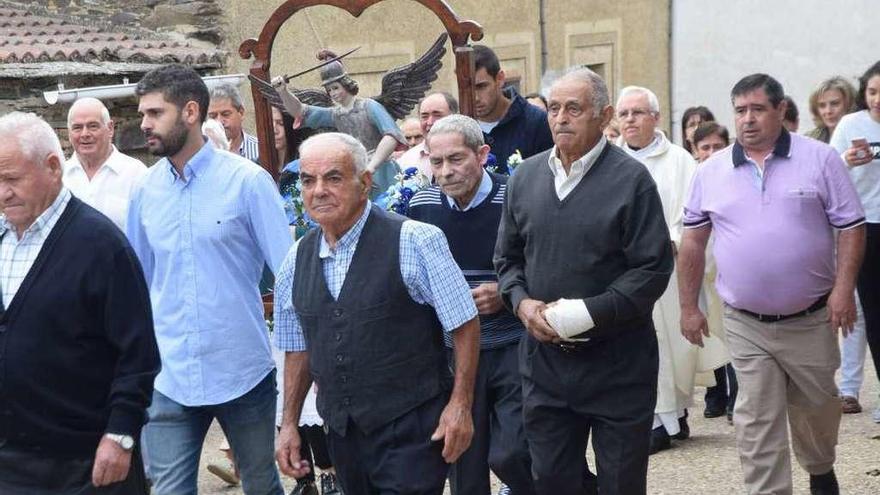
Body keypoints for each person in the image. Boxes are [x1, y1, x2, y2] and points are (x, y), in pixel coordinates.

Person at [679, 73, 865, 495]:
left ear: (781, 111)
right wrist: (690, 307)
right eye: (740, 110)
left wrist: (842, 290)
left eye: (758, 109)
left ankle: (820, 467)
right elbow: (693, 241)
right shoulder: (711, 171)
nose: (748, 120)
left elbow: (852, 227)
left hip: (811, 316)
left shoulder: (820, 159)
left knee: (817, 408)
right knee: (756, 419)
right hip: (745, 321)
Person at [494, 67, 673, 495]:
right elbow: (506, 258)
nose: (560, 119)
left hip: (619, 367)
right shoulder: (526, 178)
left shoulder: (632, 181)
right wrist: (521, 303)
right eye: (554, 108)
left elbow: (652, 269)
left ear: (603, 114)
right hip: (546, 368)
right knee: (552, 481)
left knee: (620, 484)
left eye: (573, 109)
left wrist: (586, 314)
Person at [273, 132, 481, 494]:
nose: (318, 190)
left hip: (411, 428)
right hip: (342, 433)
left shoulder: (415, 240)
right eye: (308, 180)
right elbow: (298, 347)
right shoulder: (297, 258)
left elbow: (464, 323)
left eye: (333, 178)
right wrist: (289, 423)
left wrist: (460, 405)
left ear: (365, 182)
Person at [127, 64, 293, 495]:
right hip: (170, 376)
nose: (144, 125)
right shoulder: (145, 191)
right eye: (142, 114)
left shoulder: (248, 182)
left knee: (261, 485)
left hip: (243, 371)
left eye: (154, 113)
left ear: (190, 112)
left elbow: (290, 275)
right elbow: (137, 285)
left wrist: (299, 358)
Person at [0, 112, 159, 494]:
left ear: (53, 167)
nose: (2, 192)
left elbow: (138, 356)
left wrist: (121, 434)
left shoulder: (102, 246)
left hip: (86, 462)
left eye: (11, 179)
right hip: (10, 461)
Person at [407, 115, 536, 495]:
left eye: (456, 160)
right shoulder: (422, 205)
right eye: (436, 161)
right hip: (454, 354)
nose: (445, 172)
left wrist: (507, 291)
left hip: (513, 344)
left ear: (482, 155)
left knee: (512, 453)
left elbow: (545, 261)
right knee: (461, 461)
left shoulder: (514, 197)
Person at [616, 86, 728, 454]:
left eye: (638, 112)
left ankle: (673, 415)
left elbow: (694, 218)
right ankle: (658, 421)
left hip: (668, 271)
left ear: (656, 118)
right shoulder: (608, 161)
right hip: (622, 272)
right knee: (642, 347)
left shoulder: (680, 162)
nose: (630, 120)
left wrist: (671, 241)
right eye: (624, 113)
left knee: (673, 350)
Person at [272, 51, 407, 199]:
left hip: (382, 171)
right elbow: (300, 111)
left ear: (346, 84)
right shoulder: (336, 114)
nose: (332, 93)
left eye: (335, 87)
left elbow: (391, 135)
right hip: (354, 173)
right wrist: (282, 91)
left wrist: (372, 166)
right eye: (329, 90)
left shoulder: (369, 106)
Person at [830, 60, 880, 424]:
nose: (877, 99)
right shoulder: (851, 125)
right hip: (867, 225)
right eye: (873, 91)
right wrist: (848, 159)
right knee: (873, 313)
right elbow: (829, 169)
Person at [690, 121, 739, 421]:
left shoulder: (735, 177)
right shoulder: (694, 179)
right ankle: (717, 392)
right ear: (695, 151)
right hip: (703, 270)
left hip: (730, 268)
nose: (710, 153)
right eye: (704, 147)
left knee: (735, 335)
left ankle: (738, 397)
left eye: (716, 147)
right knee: (713, 333)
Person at [63, 97, 147, 231]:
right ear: (69, 134)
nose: (85, 134)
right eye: (77, 128)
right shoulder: (59, 178)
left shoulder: (136, 174)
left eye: (93, 126)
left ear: (110, 128)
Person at [472, 45, 554, 173]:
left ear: (500, 78)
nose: (475, 97)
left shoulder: (537, 122)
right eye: (467, 88)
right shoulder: (458, 129)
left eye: (481, 86)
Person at [397, 92, 458, 179]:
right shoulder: (406, 161)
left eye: (437, 115)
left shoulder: (469, 154)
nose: (430, 122)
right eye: (424, 116)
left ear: (454, 117)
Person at [208, 83, 260, 163]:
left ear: (241, 113)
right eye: (213, 116)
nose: (219, 121)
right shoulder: (203, 154)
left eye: (225, 114)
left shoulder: (259, 150)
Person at [807, 76, 857, 144]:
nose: (828, 111)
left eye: (835, 104)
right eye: (822, 106)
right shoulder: (810, 140)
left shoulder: (863, 135)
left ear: (849, 105)